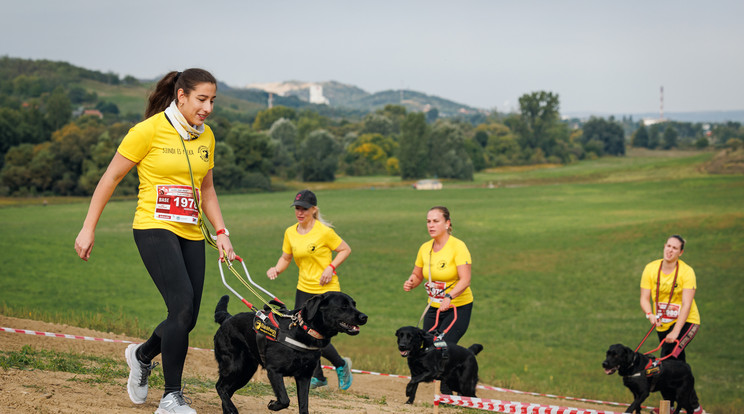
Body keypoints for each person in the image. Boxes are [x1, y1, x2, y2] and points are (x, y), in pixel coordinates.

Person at [74, 68, 235, 414]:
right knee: (180, 307)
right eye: (201, 99)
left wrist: (222, 233)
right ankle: (171, 397)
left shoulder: (206, 137)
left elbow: (206, 190)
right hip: (154, 226)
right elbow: (110, 178)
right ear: (182, 96)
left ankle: (142, 355)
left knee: (188, 317)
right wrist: (88, 228)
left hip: (191, 230)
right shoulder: (147, 131)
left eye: (212, 101)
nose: (207, 108)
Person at [266, 189, 354, 390]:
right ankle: (319, 377)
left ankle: (341, 365)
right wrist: (277, 269)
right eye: (297, 208)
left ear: (314, 209)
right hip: (304, 289)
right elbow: (286, 257)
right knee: (304, 333)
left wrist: (330, 268)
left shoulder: (324, 232)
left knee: (318, 334)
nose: (300, 212)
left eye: (304, 208)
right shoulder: (290, 232)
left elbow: (345, 249)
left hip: (326, 292)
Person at [640, 235, 706, 414]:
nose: (670, 250)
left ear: (681, 252)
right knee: (676, 366)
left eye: (675, 248)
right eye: (668, 246)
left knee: (668, 362)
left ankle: (690, 408)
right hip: (663, 324)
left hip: (687, 322)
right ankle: (678, 407)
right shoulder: (651, 268)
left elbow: (686, 305)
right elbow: (644, 298)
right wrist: (650, 315)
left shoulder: (687, 272)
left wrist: (676, 332)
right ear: (664, 247)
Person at [403, 206, 473, 344]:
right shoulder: (425, 248)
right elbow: (417, 275)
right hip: (433, 307)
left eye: (436, 221)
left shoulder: (458, 246)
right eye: (428, 221)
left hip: (457, 308)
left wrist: (449, 297)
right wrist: (411, 282)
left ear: (447, 223)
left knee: (442, 346)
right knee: (427, 347)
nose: (431, 225)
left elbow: (465, 280)